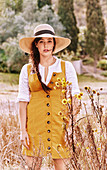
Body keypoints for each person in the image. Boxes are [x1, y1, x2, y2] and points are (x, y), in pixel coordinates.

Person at [18, 24, 80, 170]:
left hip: (60, 125)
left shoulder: (66, 67)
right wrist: (23, 130)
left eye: (49, 41)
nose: (46, 45)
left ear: (54, 44)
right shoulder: (27, 69)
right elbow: (22, 101)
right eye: (41, 41)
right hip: (34, 126)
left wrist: (70, 127)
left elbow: (75, 98)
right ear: (36, 45)